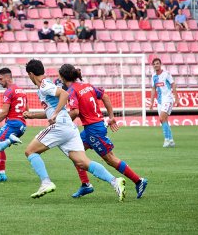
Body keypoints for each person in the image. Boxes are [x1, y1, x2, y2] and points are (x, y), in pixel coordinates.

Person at [23, 59, 126, 200]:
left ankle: (46, 182)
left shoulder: (44, 85)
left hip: (60, 126)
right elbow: (52, 109)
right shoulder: (45, 86)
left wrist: (54, 114)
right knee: (82, 162)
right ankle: (115, 181)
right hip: (69, 128)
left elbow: (64, 95)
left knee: (30, 151)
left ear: (30, 74)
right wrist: (32, 115)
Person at [58, 64, 148, 199]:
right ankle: (86, 185)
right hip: (93, 128)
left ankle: (139, 181)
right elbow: (105, 97)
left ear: (63, 77)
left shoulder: (72, 90)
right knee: (74, 153)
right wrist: (111, 117)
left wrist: (62, 123)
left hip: (94, 130)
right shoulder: (87, 86)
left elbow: (75, 111)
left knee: (110, 159)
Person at [149, 58, 179, 148]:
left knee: (161, 118)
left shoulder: (166, 74)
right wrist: (151, 102)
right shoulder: (153, 76)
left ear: (160, 64)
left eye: (157, 63)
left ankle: (166, 139)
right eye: (154, 64)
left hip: (168, 99)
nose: (156, 65)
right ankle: (171, 140)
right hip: (160, 101)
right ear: (153, 66)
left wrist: (176, 99)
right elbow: (153, 88)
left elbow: (173, 84)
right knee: (164, 120)